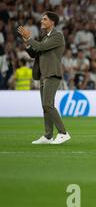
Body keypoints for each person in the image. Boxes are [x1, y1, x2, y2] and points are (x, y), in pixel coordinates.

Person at [17, 11, 71, 145]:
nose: (42, 21)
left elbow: (41, 47)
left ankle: (63, 133)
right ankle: (48, 136)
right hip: (43, 74)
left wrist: (30, 38)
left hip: (52, 74)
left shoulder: (57, 36)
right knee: (45, 106)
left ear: (52, 22)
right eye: (42, 19)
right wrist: (27, 44)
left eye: (45, 19)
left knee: (48, 104)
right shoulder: (44, 36)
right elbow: (34, 54)